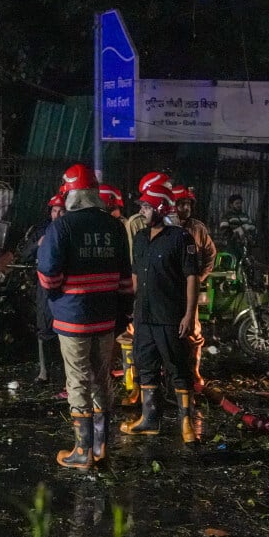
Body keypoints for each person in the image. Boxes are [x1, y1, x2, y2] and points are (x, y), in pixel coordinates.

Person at [37, 164, 132, 469]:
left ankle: (82, 451)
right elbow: (125, 281)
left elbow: (48, 276)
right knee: (101, 378)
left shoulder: (61, 228)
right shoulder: (115, 227)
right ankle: (101, 447)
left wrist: (60, 294)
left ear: (70, 194)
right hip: (105, 318)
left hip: (73, 318)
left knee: (78, 380)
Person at [120, 180, 200, 444]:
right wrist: (131, 307)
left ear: (161, 208)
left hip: (170, 317)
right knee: (146, 366)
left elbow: (192, 277)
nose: (141, 211)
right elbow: (135, 275)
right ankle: (149, 419)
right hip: (144, 317)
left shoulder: (180, 238)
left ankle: (186, 422)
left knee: (178, 367)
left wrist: (188, 315)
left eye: (146, 206)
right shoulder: (140, 239)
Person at [173, 184, 216, 391]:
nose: (186, 207)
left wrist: (199, 277)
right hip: (167, 289)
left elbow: (210, 253)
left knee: (194, 332)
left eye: (188, 203)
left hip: (189, 289)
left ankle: (194, 371)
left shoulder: (197, 229)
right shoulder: (164, 226)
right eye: (181, 203)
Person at [23, 193, 65, 385]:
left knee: (66, 329)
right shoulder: (42, 230)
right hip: (44, 285)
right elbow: (25, 255)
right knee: (44, 326)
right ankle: (44, 372)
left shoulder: (70, 230)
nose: (57, 214)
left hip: (65, 283)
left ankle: (66, 372)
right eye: (55, 210)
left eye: (61, 211)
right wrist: (37, 245)